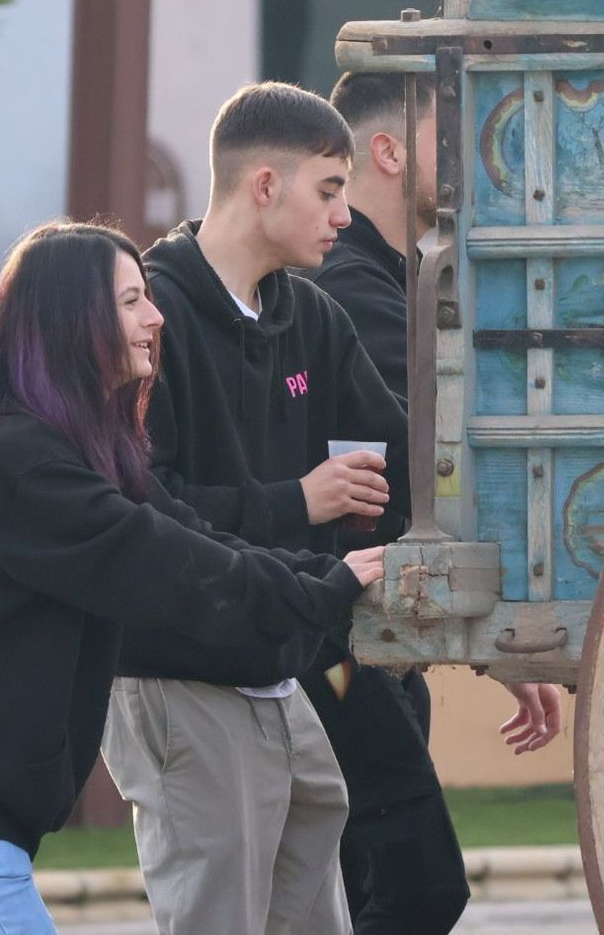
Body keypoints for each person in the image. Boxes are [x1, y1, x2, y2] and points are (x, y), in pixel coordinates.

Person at [0, 221, 385, 935]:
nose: (155, 317)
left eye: (148, 297)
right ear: (74, 319)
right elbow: (169, 567)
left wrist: (321, 573)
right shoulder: (27, 463)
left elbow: (191, 533)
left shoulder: (80, 447)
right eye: (131, 301)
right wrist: (323, 592)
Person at [101, 82, 407, 934]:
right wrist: (295, 502)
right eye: (330, 189)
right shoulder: (148, 320)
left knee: (330, 877)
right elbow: (143, 508)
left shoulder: (312, 315)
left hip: (280, 665)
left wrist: (503, 622)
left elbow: (403, 458)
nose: (345, 216)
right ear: (264, 184)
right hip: (177, 670)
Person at [308, 70, 565, 933]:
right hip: (337, 651)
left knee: (369, 891)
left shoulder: (395, 281)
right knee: (415, 888)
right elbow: (432, 473)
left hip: (371, 645)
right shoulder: (352, 290)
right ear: (387, 149)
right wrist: (500, 639)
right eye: (447, 135)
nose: (472, 157)